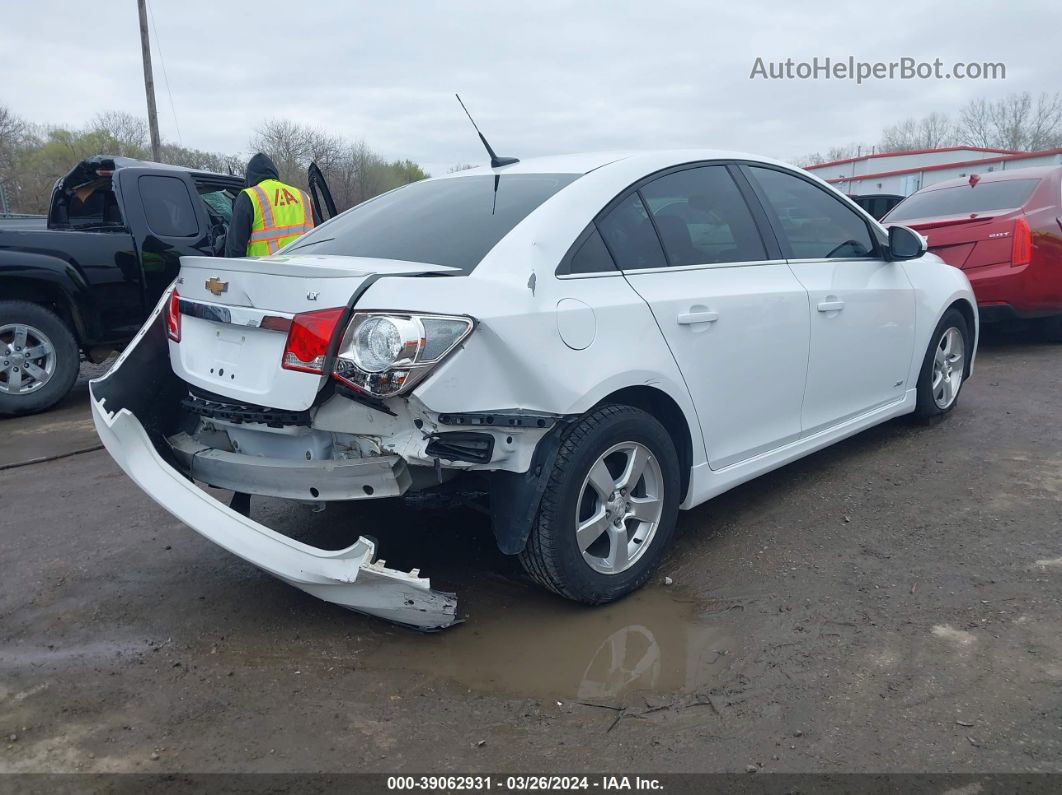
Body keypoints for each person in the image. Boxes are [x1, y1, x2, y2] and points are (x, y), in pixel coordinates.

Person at [225, 153, 315, 258]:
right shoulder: (302, 196)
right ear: (275, 173)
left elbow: (235, 248)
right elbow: (321, 235)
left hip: (265, 271)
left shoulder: (249, 196)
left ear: (250, 177)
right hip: (304, 269)